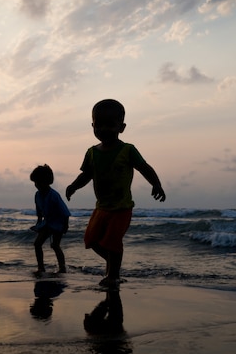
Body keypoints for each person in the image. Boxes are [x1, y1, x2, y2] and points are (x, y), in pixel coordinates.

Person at [66, 99, 166, 287]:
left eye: (110, 125)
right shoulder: (92, 153)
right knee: (91, 240)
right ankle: (112, 264)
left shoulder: (127, 150)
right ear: (92, 126)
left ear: (122, 127)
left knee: (113, 241)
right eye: (99, 125)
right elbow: (86, 174)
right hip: (101, 208)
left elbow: (144, 167)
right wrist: (73, 186)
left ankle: (113, 275)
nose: (104, 129)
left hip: (121, 208)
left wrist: (156, 184)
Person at [30, 164, 70, 274]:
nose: (37, 185)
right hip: (47, 222)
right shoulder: (37, 195)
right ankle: (41, 267)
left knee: (55, 245)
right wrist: (38, 223)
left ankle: (62, 268)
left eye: (38, 182)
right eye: (35, 183)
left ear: (47, 181)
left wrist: (66, 226)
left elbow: (65, 212)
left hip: (58, 223)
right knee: (37, 244)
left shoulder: (54, 195)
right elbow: (39, 211)